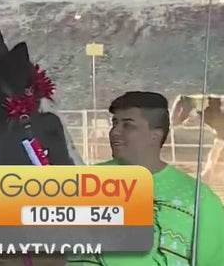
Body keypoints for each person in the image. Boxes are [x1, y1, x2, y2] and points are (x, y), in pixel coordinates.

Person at [67, 91, 224, 266]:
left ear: (155, 135)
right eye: (115, 123)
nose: (114, 132)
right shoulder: (79, 183)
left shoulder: (199, 199)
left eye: (128, 125)